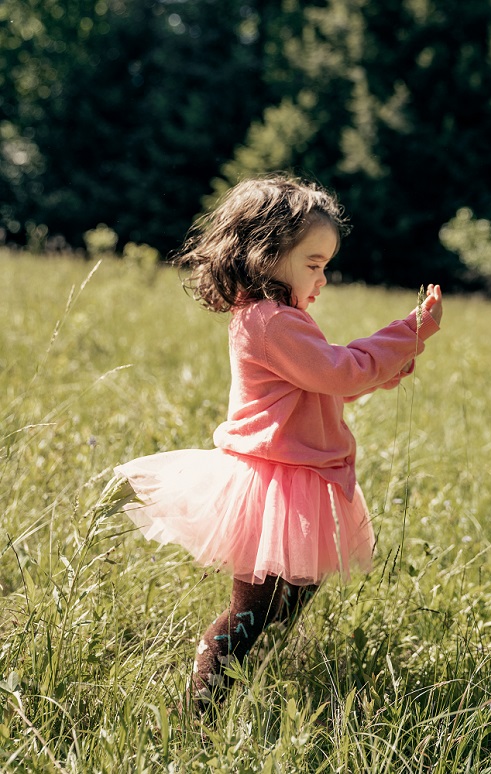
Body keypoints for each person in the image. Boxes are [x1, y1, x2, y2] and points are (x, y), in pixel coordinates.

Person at [111, 174, 443, 712]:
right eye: (313, 264)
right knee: (250, 614)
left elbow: (324, 386)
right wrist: (407, 332)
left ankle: (243, 674)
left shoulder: (281, 319)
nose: (323, 278)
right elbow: (337, 373)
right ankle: (200, 714)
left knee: (291, 594)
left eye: (326, 265)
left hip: (296, 478)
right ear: (266, 255)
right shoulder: (268, 321)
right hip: (273, 485)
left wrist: (383, 368)